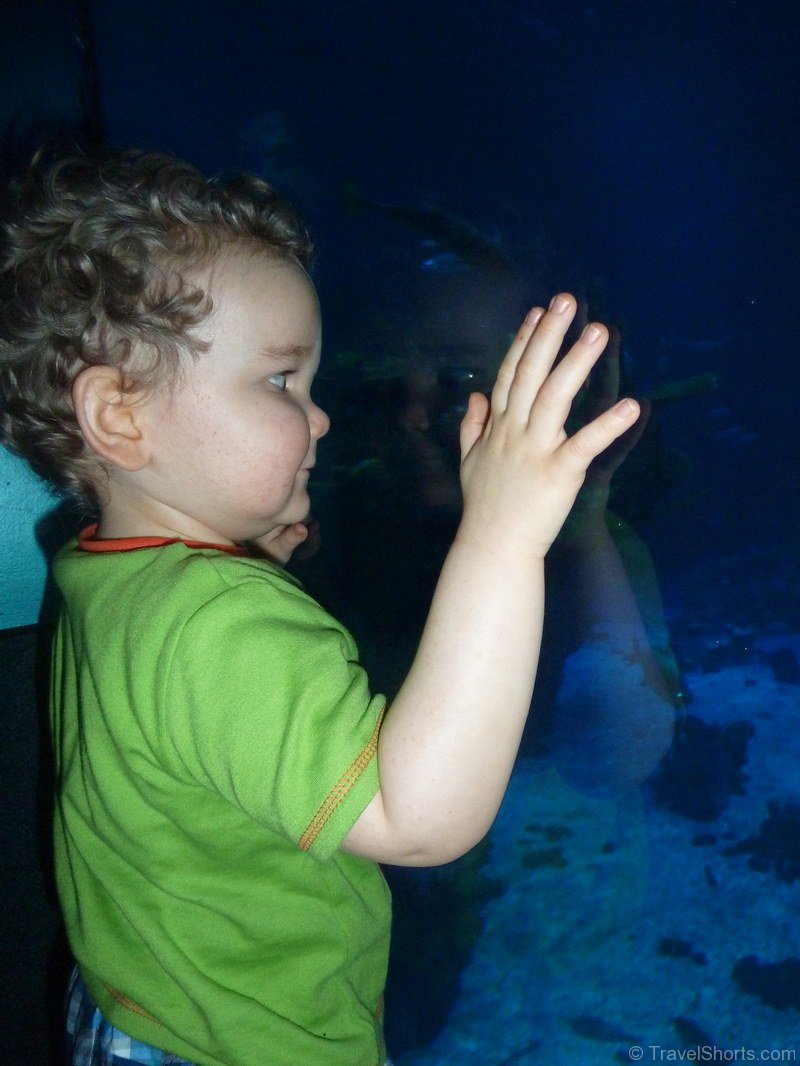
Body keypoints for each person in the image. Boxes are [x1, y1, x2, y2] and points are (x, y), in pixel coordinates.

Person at [0, 149, 645, 1066]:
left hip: (135, 1006)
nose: (322, 418)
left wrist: (249, 562)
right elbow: (419, 818)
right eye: (280, 382)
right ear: (120, 416)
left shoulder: (107, 571)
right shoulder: (215, 623)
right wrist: (502, 537)